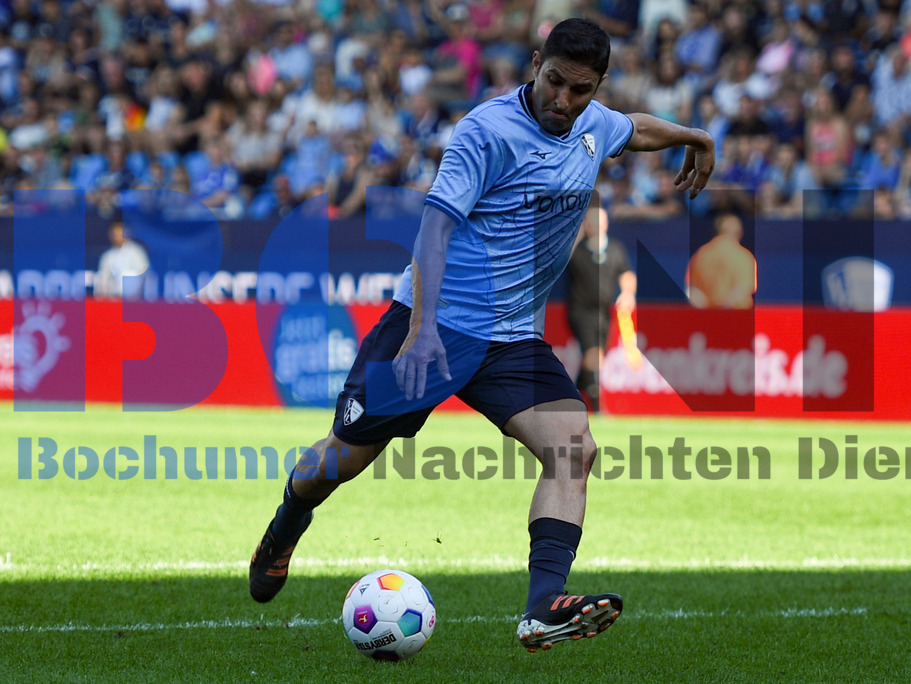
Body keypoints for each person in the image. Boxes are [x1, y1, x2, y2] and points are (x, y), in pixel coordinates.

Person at [248, 17, 714, 651]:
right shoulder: (485, 132)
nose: (562, 100)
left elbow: (632, 131)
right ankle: (288, 518)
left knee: (573, 447)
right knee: (342, 458)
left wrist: (693, 134)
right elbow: (435, 230)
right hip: (433, 325)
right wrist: (420, 330)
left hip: (510, 338)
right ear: (533, 64)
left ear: (597, 85)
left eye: (580, 90)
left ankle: (544, 605)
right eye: (553, 82)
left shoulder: (593, 123)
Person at [567, 204, 636, 412]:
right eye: (591, 221)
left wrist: (627, 293)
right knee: (593, 354)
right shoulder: (577, 250)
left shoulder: (615, 249)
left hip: (604, 312)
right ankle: (596, 405)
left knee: (597, 358)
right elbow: (564, 251)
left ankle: (573, 393)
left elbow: (626, 274)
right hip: (580, 311)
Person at [686, 213, 756, 310]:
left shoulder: (700, 254)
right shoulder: (743, 256)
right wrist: (724, 311)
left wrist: (708, 312)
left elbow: (692, 291)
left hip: (707, 319)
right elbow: (743, 289)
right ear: (739, 233)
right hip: (737, 317)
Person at [94, 220, 149, 299]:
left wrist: (137, 297)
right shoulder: (107, 255)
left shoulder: (137, 252)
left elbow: (144, 275)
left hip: (132, 300)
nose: (117, 237)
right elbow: (103, 278)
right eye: (115, 234)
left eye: (120, 234)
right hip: (112, 299)